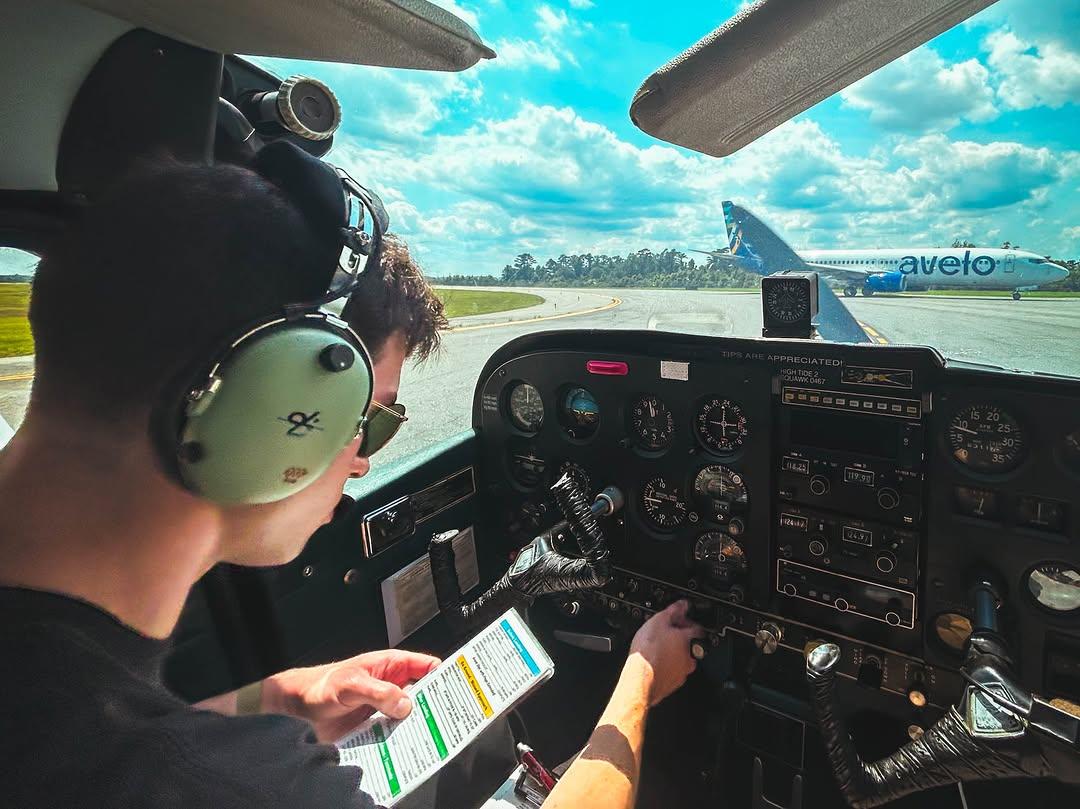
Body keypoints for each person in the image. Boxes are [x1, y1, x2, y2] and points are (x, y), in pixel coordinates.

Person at [0, 151, 700, 809]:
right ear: (286, 407)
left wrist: (288, 698)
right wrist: (642, 677)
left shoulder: (68, 706)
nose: (364, 461)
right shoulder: (227, 785)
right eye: (372, 417)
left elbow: (117, 736)